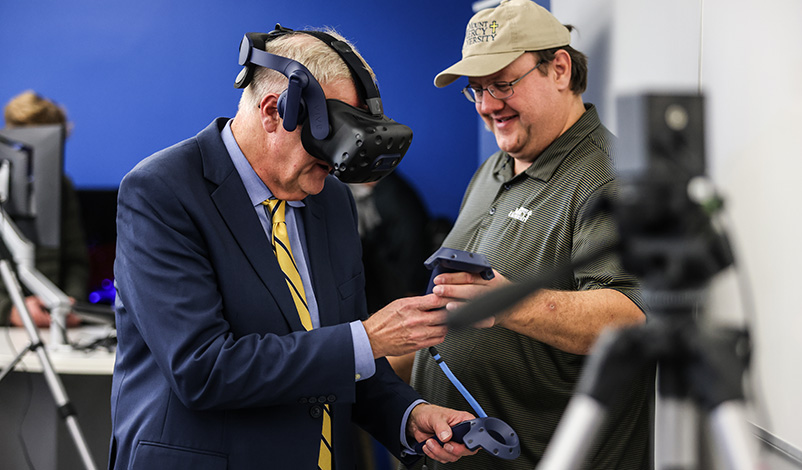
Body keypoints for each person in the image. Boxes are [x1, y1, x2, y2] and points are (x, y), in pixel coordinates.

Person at [109, 25, 477, 470]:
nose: (341, 158)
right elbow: (203, 371)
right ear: (272, 111)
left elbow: (348, 359)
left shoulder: (331, 200)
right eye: (333, 132)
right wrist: (369, 338)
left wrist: (408, 415)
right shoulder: (162, 192)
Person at [404, 1, 654, 469]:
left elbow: (628, 319)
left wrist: (508, 302)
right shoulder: (494, 168)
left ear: (559, 68)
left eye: (502, 84)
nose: (487, 105)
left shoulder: (607, 175)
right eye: (476, 90)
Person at [0, 90, 89, 329]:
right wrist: (9, 309)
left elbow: (76, 260)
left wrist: (71, 302)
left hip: (53, 323)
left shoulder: (61, 186)